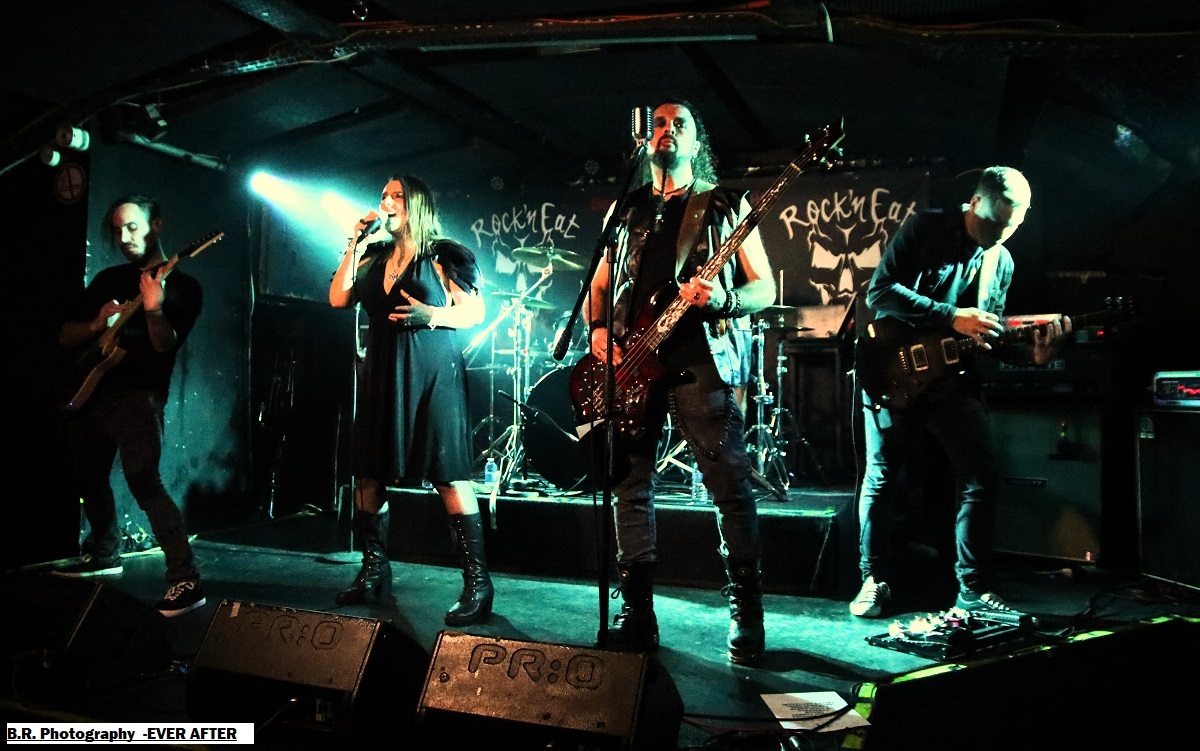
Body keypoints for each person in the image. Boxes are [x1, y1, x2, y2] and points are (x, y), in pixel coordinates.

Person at [583, 99, 777, 664]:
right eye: (659, 124)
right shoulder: (625, 210)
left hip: (700, 359)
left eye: (679, 124)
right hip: (633, 363)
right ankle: (637, 611)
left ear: (697, 142)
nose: (667, 130)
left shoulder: (724, 205)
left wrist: (726, 299)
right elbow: (599, 287)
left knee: (729, 483)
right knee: (629, 483)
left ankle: (746, 609)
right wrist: (599, 330)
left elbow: (765, 288)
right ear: (646, 140)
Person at [849, 166, 1070, 619]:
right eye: (994, 225)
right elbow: (880, 293)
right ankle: (873, 578)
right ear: (974, 204)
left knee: (980, 479)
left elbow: (989, 339)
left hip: (953, 382)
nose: (1000, 236)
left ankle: (972, 588)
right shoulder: (926, 228)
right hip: (893, 370)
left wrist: (1033, 356)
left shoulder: (1001, 262)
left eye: (1012, 227)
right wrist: (951, 315)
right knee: (883, 477)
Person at [329, 174, 493, 626]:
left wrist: (432, 314)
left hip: (431, 372)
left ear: (417, 203)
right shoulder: (373, 254)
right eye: (383, 195)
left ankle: (478, 584)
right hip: (382, 371)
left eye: (397, 195)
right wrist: (354, 243)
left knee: (448, 474)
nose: (387, 202)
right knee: (368, 472)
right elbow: (338, 298)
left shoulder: (443, 254)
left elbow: (476, 311)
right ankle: (374, 571)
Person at [53, 195, 206, 618]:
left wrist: (154, 310)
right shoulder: (108, 279)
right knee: (87, 475)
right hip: (93, 391)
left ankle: (186, 580)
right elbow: (65, 336)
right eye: (118, 230)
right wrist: (95, 325)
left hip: (139, 396)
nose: (124, 237)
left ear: (156, 225)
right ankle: (104, 552)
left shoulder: (184, 286)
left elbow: (164, 344)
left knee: (143, 481)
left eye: (133, 227)